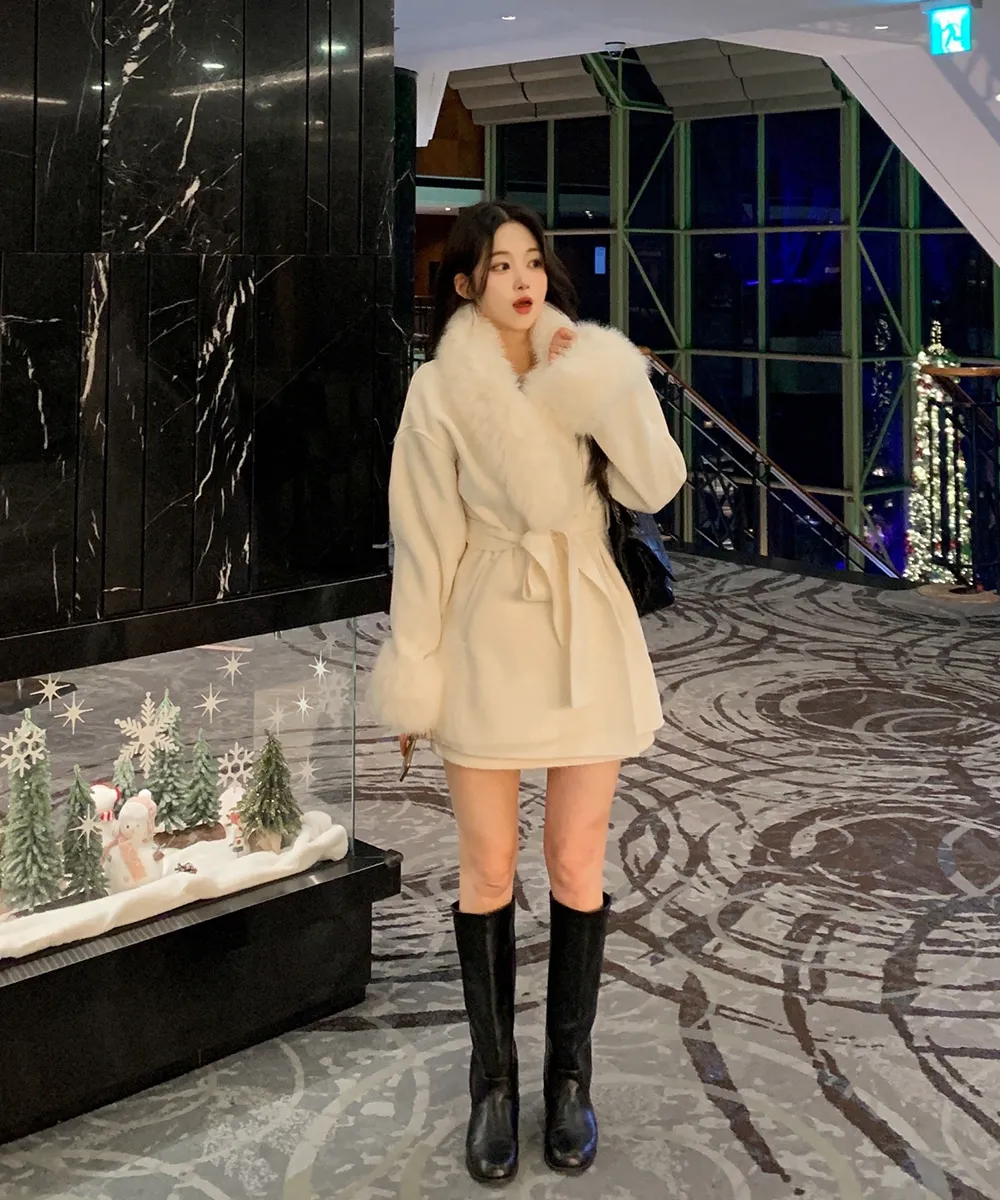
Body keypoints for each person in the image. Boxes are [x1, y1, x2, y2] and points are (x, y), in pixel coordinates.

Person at [370, 201, 686, 1184]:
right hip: (485, 634)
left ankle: (569, 1083)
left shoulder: (578, 367)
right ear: (464, 283)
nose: (522, 280)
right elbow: (424, 539)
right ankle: (495, 1087)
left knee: (576, 860)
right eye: (500, 265)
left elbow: (655, 483)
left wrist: (602, 378)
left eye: (534, 262)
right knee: (489, 868)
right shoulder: (437, 390)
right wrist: (416, 672)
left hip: (585, 630)